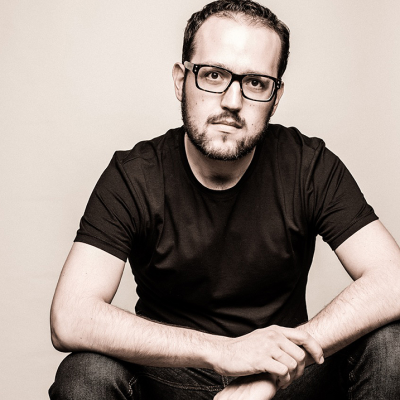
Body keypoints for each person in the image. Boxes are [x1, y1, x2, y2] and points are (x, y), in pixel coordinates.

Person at [49, 1, 400, 399]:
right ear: (181, 80)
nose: (232, 101)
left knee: (393, 345)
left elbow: (393, 279)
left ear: (276, 96)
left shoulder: (308, 165)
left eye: (256, 83)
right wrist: (223, 352)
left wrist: (272, 369)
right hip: (170, 379)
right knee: (84, 374)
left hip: (285, 380)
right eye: (213, 75)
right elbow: (70, 316)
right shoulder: (134, 176)